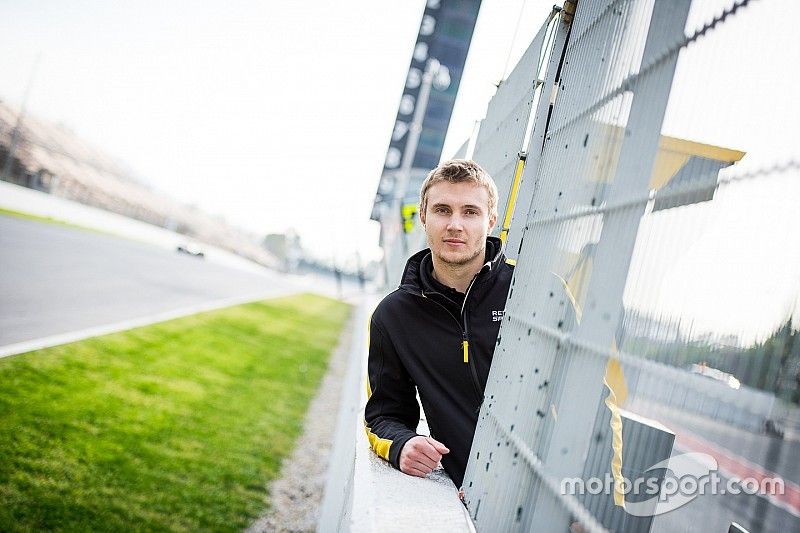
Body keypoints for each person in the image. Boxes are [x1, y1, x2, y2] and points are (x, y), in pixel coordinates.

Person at [364, 159, 514, 488]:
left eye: (470, 212)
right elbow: (382, 414)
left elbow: (596, 398)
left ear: (491, 220)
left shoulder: (530, 290)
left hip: (554, 488)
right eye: (443, 210)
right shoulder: (394, 316)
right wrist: (402, 444)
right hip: (470, 495)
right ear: (423, 217)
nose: (455, 225)